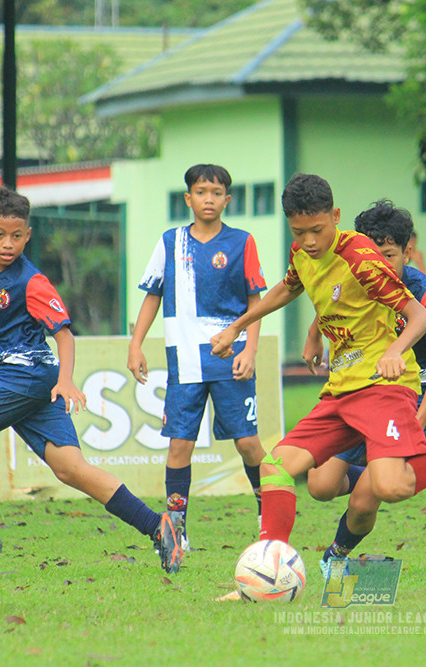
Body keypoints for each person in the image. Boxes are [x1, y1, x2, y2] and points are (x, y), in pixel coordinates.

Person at [210, 173, 426, 555]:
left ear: (335, 216)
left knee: (391, 486)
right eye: (299, 233)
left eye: (316, 230)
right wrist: (237, 326)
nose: (309, 241)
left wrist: (394, 351)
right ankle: (269, 568)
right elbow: (291, 284)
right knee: (278, 468)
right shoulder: (302, 253)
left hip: (384, 388)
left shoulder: (362, 259)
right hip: (341, 387)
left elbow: (419, 317)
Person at [0, 186, 183, 575]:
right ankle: (158, 526)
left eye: (18, 235)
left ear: (28, 234)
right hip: (34, 381)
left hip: (26, 374)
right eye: (0, 234)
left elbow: (64, 335)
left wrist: (68, 381)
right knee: (70, 468)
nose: (9, 244)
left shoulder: (32, 281)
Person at [303, 200, 426, 574]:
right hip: (360, 390)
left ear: (408, 252)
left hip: (406, 398)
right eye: (373, 254)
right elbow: (329, 302)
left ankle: (336, 556)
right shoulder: (355, 274)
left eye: (389, 255)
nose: (381, 265)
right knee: (319, 485)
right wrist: (313, 334)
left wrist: (416, 423)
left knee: (363, 503)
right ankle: (368, 473)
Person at [128, 164, 268, 550]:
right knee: (179, 445)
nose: (209, 199)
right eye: (201, 191)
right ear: (188, 198)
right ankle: (177, 530)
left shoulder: (242, 242)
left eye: (216, 192)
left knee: (248, 442)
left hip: (230, 357)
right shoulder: (170, 242)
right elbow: (152, 295)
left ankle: (267, 516)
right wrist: (136, 343)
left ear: (227, 199)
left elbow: (256, 302)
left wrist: (250, 350)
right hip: (184, 361)